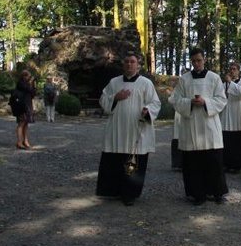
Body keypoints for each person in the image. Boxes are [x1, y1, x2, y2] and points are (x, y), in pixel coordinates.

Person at [95, 52, 161, 206]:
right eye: (126, 62)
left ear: (138, 64)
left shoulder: (146, 83)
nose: (129, 64)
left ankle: (130, 194)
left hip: (136, 128)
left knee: (133, 162)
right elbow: (103, 99)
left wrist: (147, 111)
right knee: (115, 160)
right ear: (123, 64)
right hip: (117, 128)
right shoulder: (114, 82)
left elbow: (155, 103)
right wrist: (115, 98)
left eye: (132, 62)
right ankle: (113, 191)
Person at [170, 48, 228, 205]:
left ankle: (217, 193)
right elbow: (175, 99)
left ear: (205, 60)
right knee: (193, 163)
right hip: (191, 125)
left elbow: (222, 100)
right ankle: (197, 194)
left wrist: (206, 102)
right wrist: (189, 102)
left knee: (213, 161)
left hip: (209, 124)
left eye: (199, 60)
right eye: (193, 61)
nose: (196, 63)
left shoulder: (214, 78)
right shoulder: (184, 79)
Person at [221, 62, 241, 173]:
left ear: (239, 71)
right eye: (231, 69)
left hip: (239, 115)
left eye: (234, 69)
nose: (232, 71)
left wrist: (230, 83)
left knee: (238, 141)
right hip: (228, 115)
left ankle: (237, 165)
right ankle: (227, 164)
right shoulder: (224, 85)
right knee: (228, 140)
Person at [15, 70, 37, 150]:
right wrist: (30, 83)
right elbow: (26, 88)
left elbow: (33, 93)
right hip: (21, 105)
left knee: (26, 123)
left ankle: (26, 141)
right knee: (21, 123)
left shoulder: (28, 84)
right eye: (28, 76)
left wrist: (34, 85)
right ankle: (19, 142)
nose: (29, 78)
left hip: (28, 104)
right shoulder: (21, 83)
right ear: (24, 76)